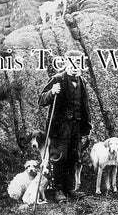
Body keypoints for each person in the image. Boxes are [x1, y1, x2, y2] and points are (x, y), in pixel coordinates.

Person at [38, 50, 91, 202]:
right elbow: (41, 100)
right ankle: (58, 190)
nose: (75, 66)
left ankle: (69, 189)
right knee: (59, 158)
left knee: (73, 157)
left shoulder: (82, 81)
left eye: (78, 63)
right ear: (66, 63)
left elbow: (84, 105)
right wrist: (52, 92)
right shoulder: (58, 79)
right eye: (72, 63)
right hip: (60, 127)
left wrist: (86, 125)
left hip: (77, 127)